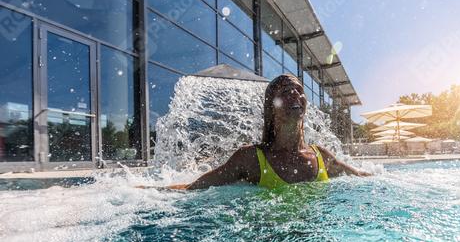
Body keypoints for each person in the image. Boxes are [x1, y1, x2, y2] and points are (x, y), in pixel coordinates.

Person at [144, 74, 370, 191]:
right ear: (271, 108)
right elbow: (196, 188)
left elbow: (361, 177)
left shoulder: (322, 156)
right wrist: (149, 192)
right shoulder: (251, 158)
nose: (294, 94)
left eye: (298, 90)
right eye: (285, 91)